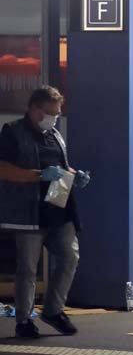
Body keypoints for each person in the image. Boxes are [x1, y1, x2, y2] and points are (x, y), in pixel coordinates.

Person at [0, 85, 91, 338]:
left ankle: (53, 310)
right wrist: (38, 176)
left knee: (69, 257)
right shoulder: (12, 132)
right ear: (34, 109)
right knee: (28, 267)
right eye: (50, 112)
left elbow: (60, 167)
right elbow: (3, 168)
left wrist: (75, 175)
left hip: (58, 209)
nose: (54, 117)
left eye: (57, 113)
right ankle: (23, 320)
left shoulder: (54, 134)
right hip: (28, 212)